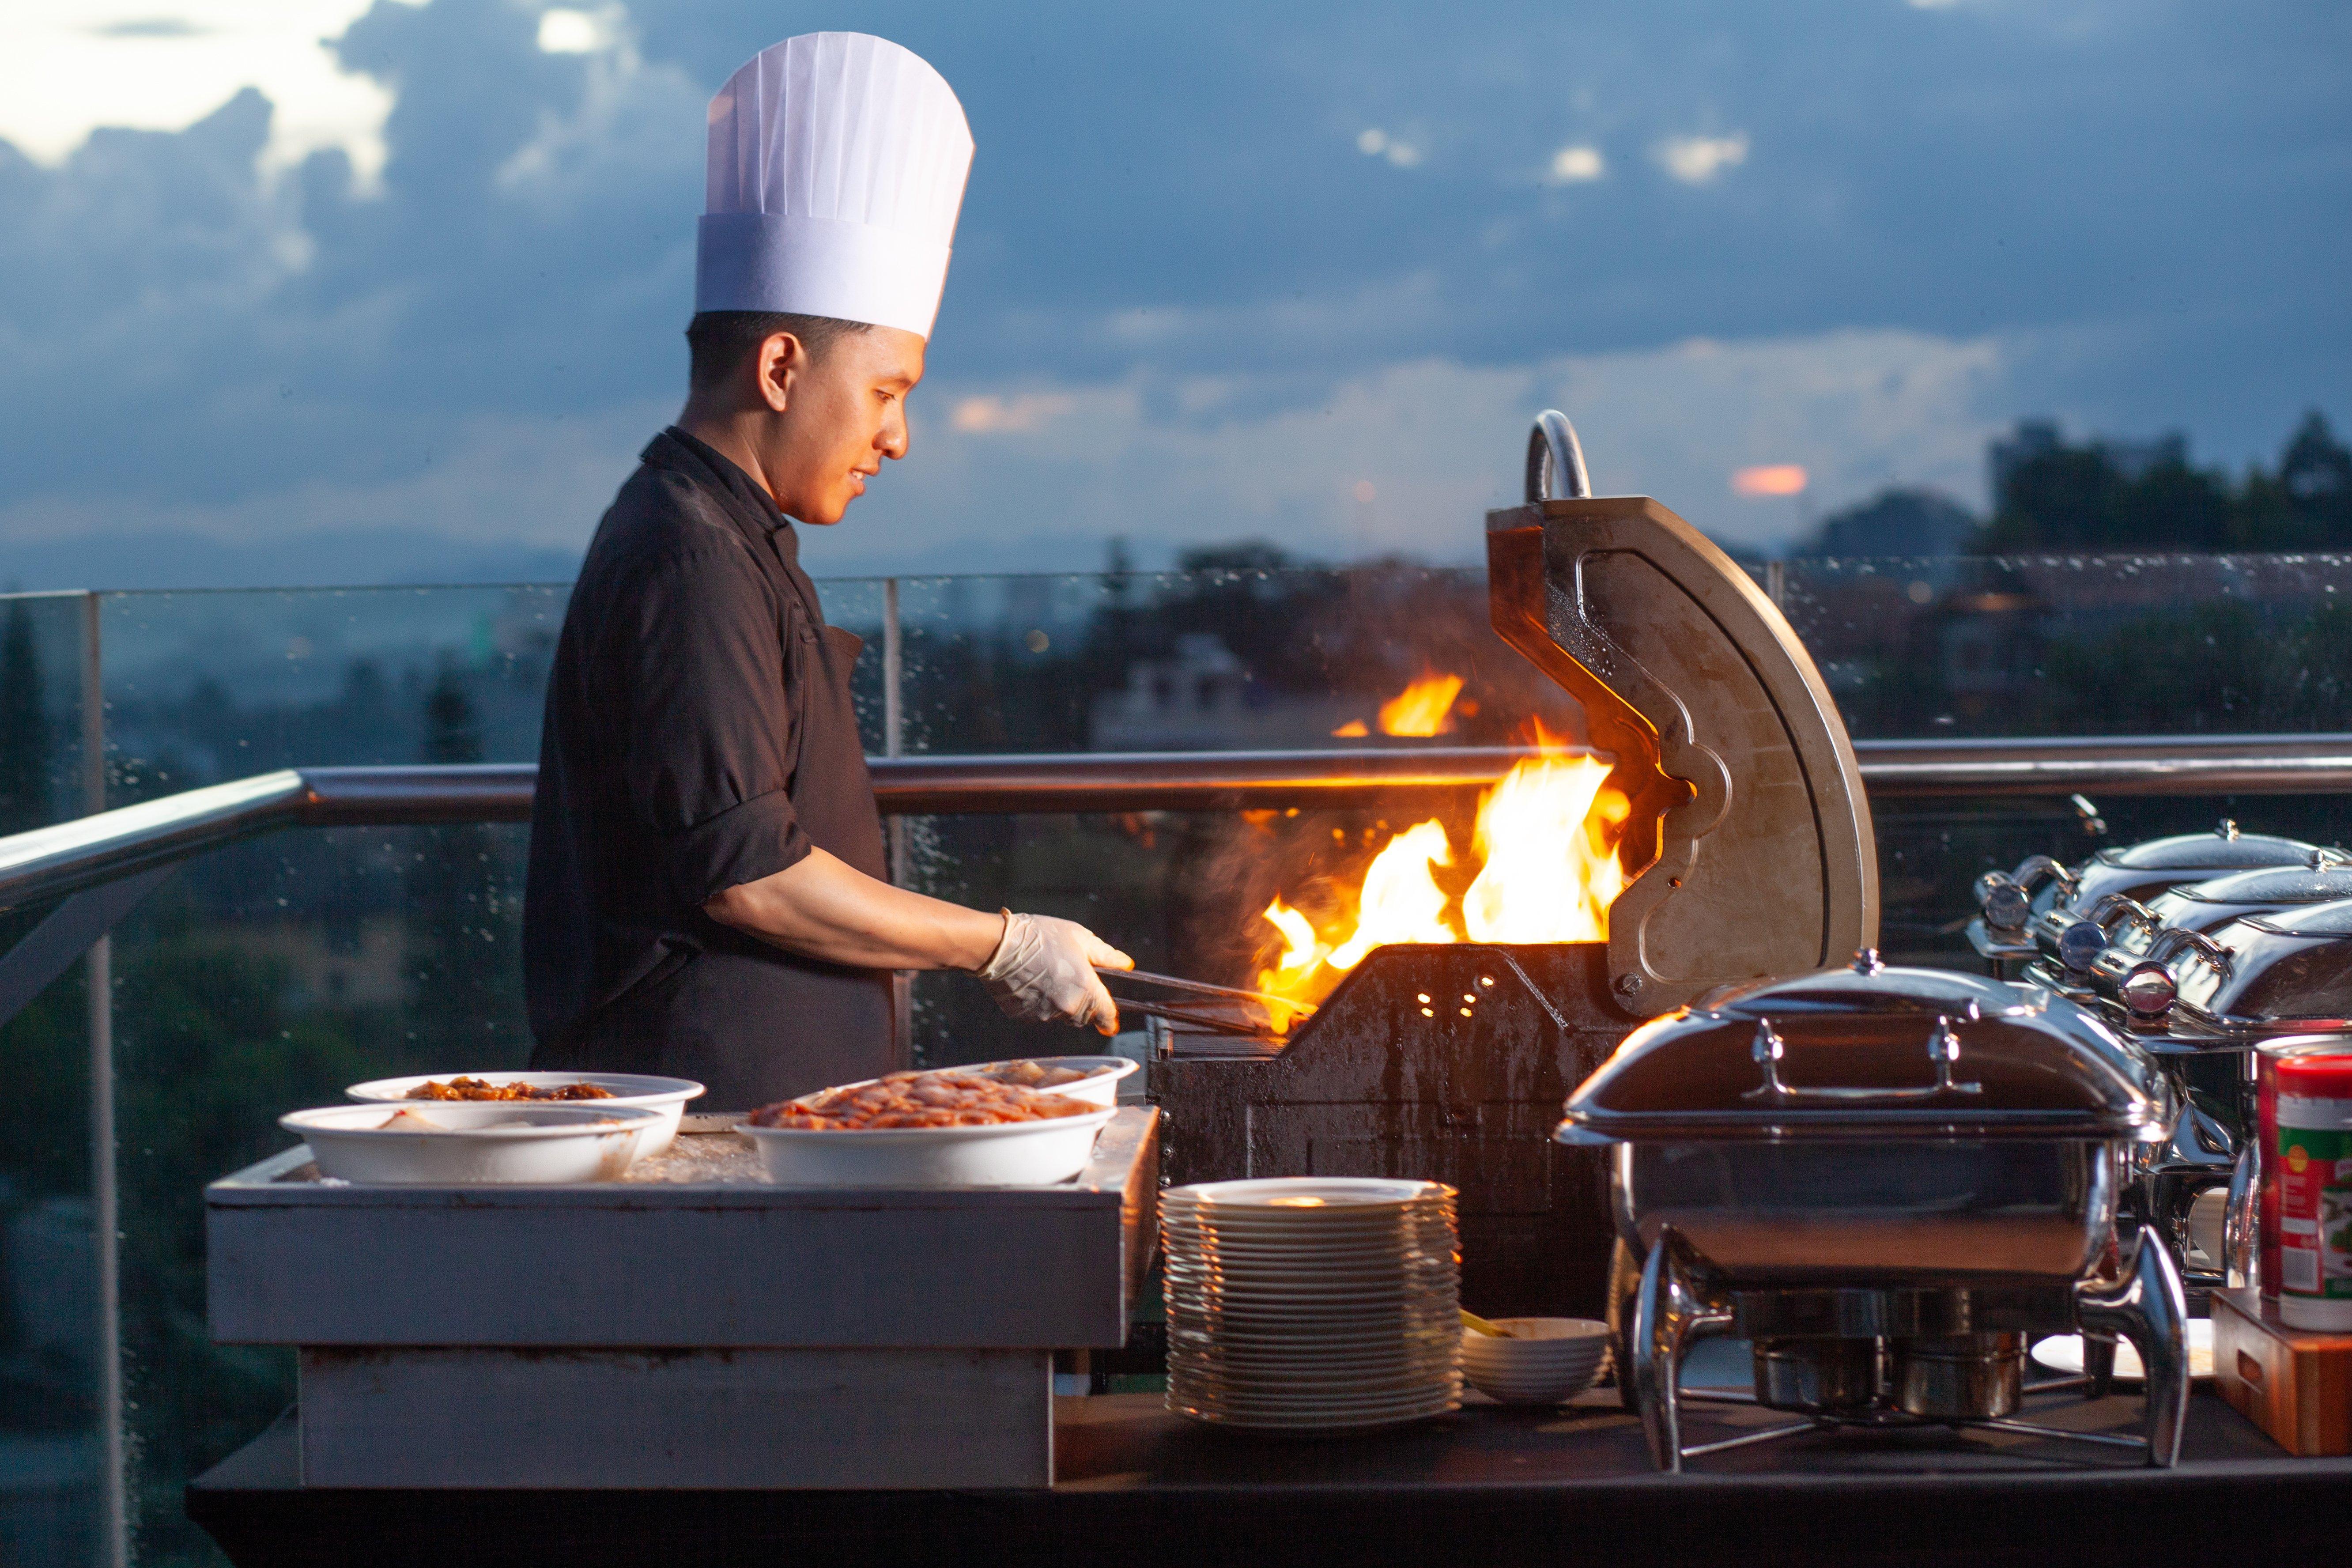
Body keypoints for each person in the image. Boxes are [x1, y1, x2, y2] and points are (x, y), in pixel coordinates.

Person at [523, 32, 1130, 1110]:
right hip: (702, 1138)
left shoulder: (733, 536)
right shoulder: (687, 553)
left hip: (770, 1127)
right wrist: (1001, 943)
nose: (898, 438)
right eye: (889, 392)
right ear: (781, 366)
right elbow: (749, 876)